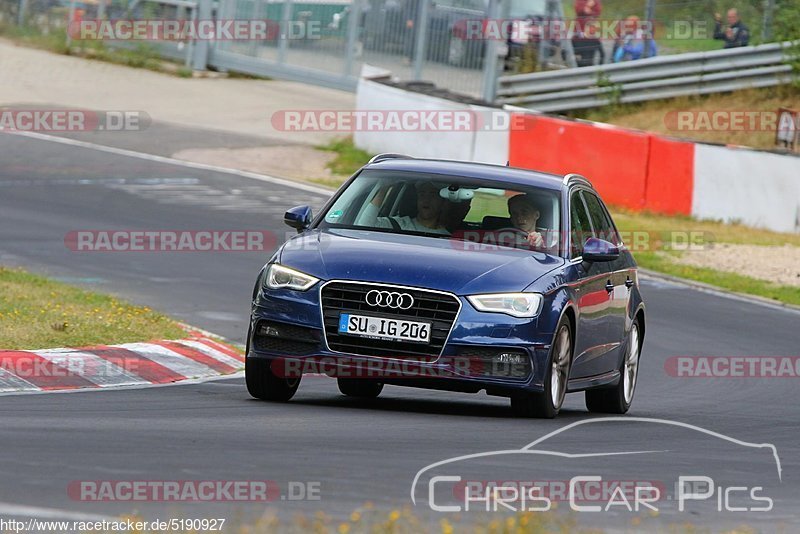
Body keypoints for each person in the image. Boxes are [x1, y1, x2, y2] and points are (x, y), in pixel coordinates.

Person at [360, 181, 450, 234]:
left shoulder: (446, 238)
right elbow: (363, 227)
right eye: (422, 194)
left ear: (442, 202)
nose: (426, 200)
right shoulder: (398, 224)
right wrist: (384, 189)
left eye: (432, 195)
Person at [573, 0, 604, 66]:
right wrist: (588, 6)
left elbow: (597, 12)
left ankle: (593, 73)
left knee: (590, 58)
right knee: (579, 59)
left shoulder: (595, 1)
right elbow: (578, 10)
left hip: (591, 36)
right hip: (579, 36)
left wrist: (587, 10)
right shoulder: (580, 1)